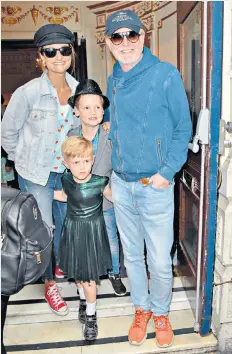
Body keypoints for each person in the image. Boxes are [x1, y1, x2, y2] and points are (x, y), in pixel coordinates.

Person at [104, 10, 192, 348]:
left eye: (132, 35)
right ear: (109, 42)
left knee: (157, 257)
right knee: (131, 255)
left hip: (153, 185)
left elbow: (182, 129)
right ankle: (141, 309)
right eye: (117, 36)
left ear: (144, 36)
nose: (125, 43)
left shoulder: (165, 74)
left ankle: (161, 312)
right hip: (122, 184)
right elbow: (115, 123)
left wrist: (165, 172)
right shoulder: (113, 77)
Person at [1, 24, 79, 316]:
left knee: (64, 225)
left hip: (67, 173)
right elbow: (6, 133)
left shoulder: (79, 91)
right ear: (41, 57)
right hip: (36, 174)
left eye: (64, 49)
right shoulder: (28, 92)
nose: (58, 56)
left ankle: (56, 266)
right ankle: (49, 285)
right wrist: (20, 159)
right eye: (51, 51)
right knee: (43, 230)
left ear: (71, 52)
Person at [68, 79, 126, 296]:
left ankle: (114, 272)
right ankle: (85, 275)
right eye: (86, 107)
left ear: (103, 110)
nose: (93, 112)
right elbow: (69, 166)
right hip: (82, 201)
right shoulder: (71, 136)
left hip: (106, 197)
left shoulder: (111, 133)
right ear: (76, 111)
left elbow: (119, 164)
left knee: (111, 237)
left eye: (98, 107)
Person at [54, 136, 112, 340]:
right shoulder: (66, 180)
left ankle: (91, 316)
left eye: (86, 161)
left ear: (92, 159)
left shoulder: (100, 182)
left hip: (91, 234)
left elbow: (115, 198)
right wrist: (45, 195)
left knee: (88, 280)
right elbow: (64, 196)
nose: (81, 167)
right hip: (72, 231)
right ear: (66, 164)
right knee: (77, 275)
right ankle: (82, 301)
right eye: (76, 162)